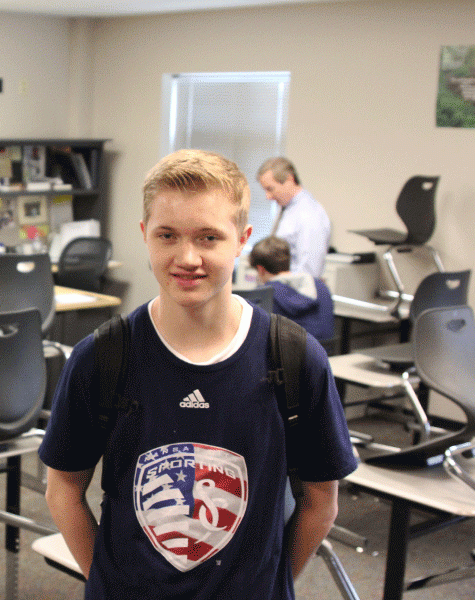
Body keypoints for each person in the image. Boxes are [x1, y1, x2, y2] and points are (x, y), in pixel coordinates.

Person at [39, 149, 356, 599]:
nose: (187, 257)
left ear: (243, 239)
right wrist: (109, 584)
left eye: (209, 238)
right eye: (168, 235)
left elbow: (320, 503)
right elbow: (63, 489)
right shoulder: (102, 357)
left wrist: (270, 585)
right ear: (145, 234)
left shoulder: (294, 359)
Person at [249, 236, 335, 343]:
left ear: (260, 269)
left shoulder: (264, 294)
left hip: (287, 358)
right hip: (326, 355)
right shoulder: (321, 286)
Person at [257, 157, 331, 278]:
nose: (268, 196)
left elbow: (309, 273)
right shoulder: (287, 208)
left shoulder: (309, 214)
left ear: (289, 179)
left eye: (270, 189)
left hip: (295, 294)